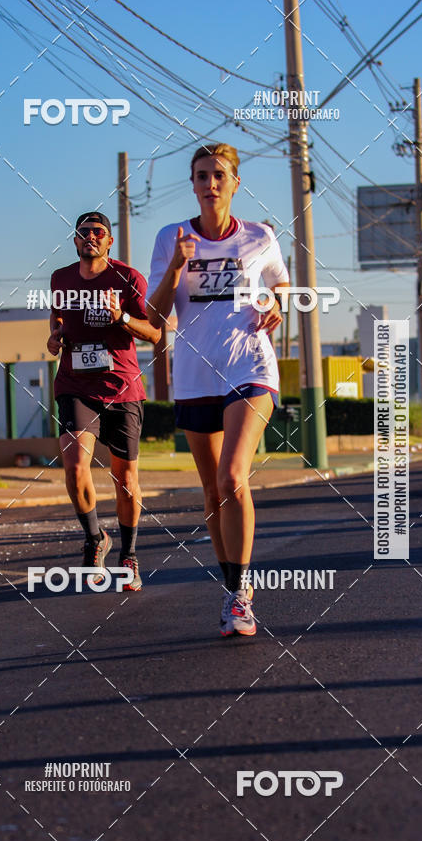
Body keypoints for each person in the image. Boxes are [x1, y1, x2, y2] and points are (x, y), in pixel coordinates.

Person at [147, 143, 288, 636]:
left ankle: (243, 594)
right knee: (211, 491)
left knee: (232, 477)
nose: (210, 183)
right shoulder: (172, 237)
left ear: (235, 183)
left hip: (249, 367)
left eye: (219, 175)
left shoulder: (260, 236)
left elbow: (281, 285)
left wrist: (278, 304)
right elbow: (155, 315)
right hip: (194, 376)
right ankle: (232, 589)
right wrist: (174, 269)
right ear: (192, 184)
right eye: (202, 175)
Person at [48, 211, 161, 590]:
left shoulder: (128, 278)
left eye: (98, 232)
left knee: (124, 478)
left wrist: (122, 317)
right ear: (75, 241)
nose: (90, 238)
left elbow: (154, 333)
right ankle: (95, 539)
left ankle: (128, 555)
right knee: (75, 466)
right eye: (83, 233)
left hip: (121, 387)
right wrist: (55, 336)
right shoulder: (61, 279)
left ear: (109, 241)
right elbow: (59, 318)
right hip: (75, 384)